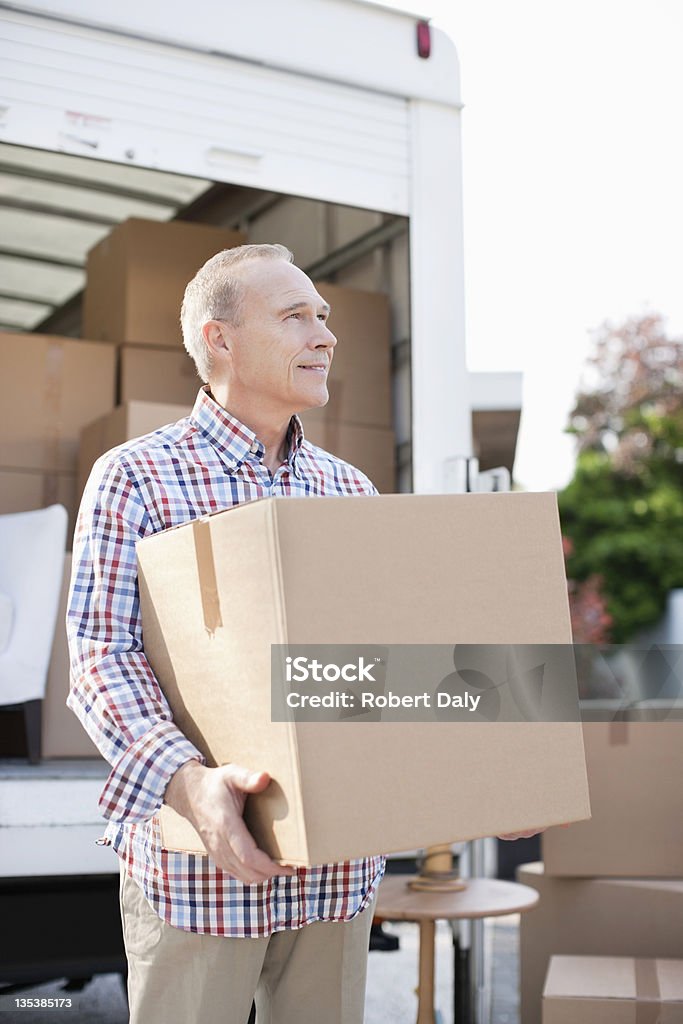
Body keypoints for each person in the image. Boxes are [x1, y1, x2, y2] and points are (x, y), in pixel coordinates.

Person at [67, 242, 544, 1024]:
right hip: (200, 871)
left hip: (334, 872)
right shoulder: (135, 476)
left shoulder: (347, 489)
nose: (324, 335)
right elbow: (99, 656)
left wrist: (485, 770)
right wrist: (191, 785)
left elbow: (377, 673)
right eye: (295, 317)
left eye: (323, 317)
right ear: (218, 339)